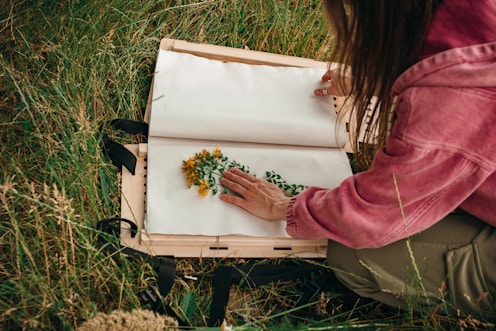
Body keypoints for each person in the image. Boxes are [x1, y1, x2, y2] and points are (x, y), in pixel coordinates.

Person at [219, 0, 496, 319]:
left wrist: (285, 206)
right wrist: (381, 78)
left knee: (352, 255)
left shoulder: (446, 112)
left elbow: (369, 217)